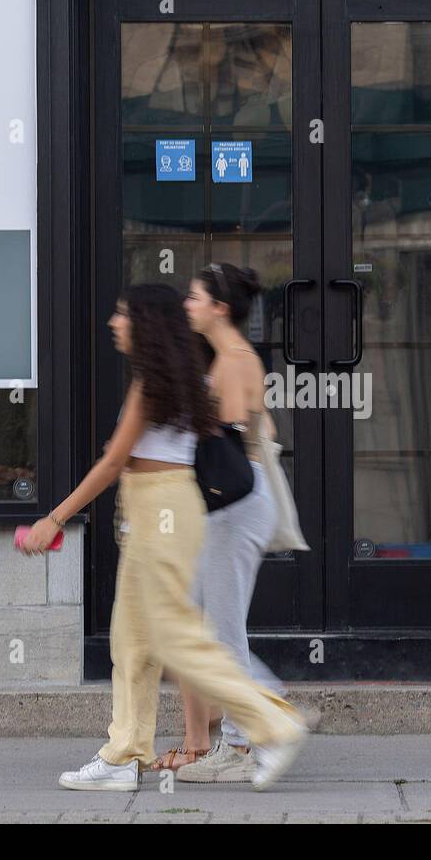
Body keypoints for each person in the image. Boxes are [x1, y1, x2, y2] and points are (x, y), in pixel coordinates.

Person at [16, 281, 308, 792]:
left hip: (162, 511)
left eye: (123, 314)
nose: (113, 323)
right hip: (160, 508)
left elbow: (114, 461)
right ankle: (123, 756)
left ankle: (274, 724)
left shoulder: (153, 383)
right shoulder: (177, 377)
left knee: (174, 637)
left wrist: (54, 519)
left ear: (146, 324)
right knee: (132, 642)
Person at [145, 263, 289, 782]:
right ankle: (249, 731)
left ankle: (259, 733)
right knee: (200, 626)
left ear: (219, 308)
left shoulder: (235, 359)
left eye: (195, 297)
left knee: (222, 633)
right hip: (229, 503)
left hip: (236, 503)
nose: (188, 304)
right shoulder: (223, 357)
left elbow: (219, 437)